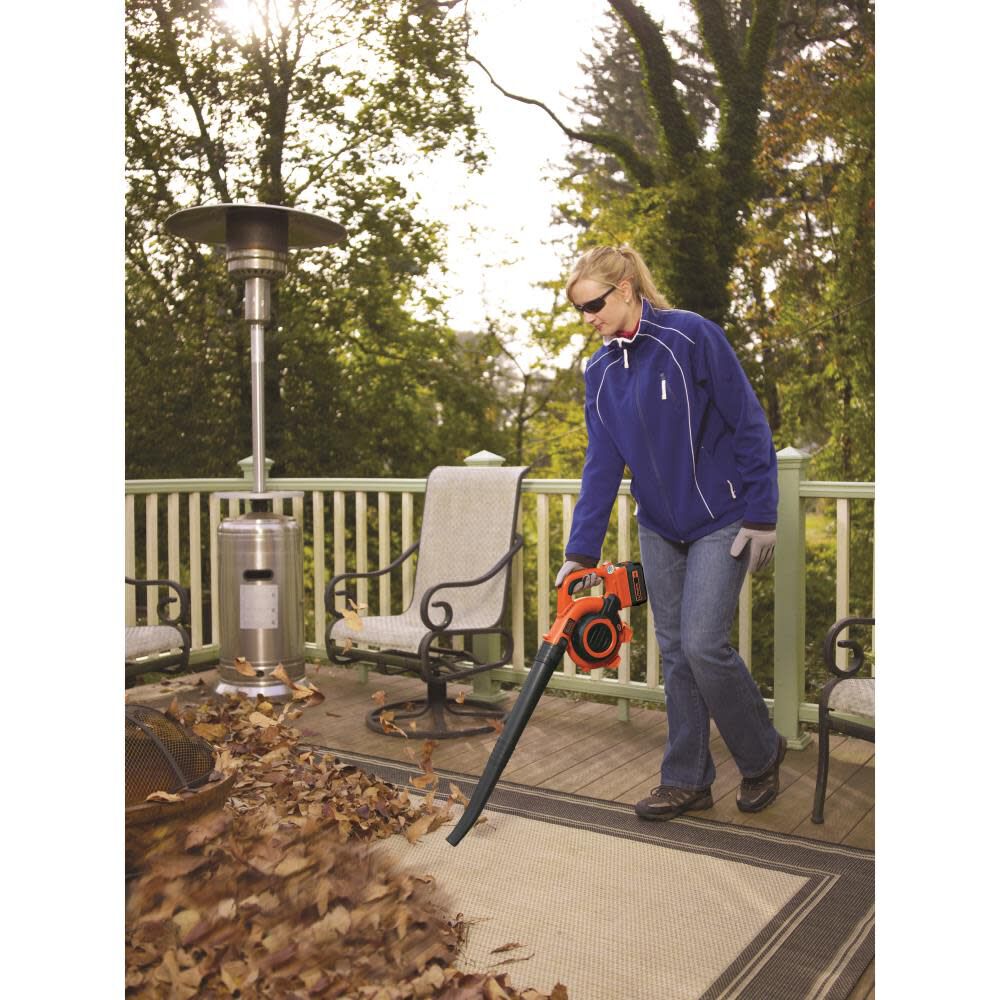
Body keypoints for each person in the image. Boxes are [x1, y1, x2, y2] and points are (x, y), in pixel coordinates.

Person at [556, 245, 785, 820]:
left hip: (721, 518)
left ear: (625, 287)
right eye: (580, 310)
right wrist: (580, 551)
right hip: (659, 525)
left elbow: (748, 422)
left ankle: (761, 754)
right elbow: (601, 464)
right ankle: (687, 779)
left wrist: (763, 514)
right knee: (677, 652)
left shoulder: (690, 336)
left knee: (704, 645)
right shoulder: (600, 372)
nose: (588, 318)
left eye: (594, 305)